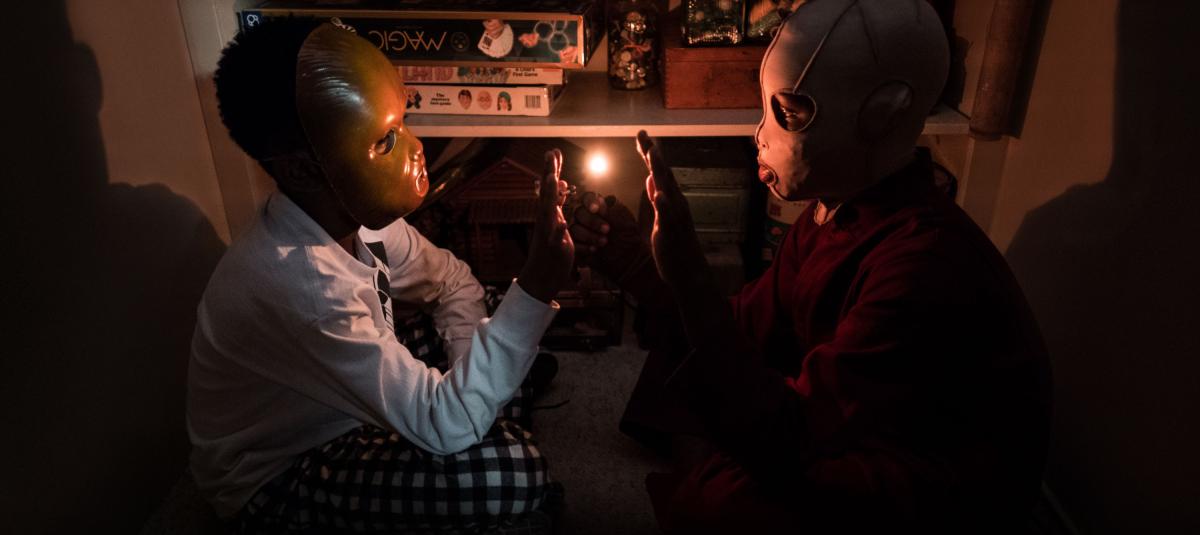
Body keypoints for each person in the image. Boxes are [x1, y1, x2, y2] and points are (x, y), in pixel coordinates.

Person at [570, 1, 1052, 533]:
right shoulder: (836, 210)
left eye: (789, 114)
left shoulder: (922, 265)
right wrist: (631, 259)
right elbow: (747, 324)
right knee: (690, 351)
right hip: (844, 404)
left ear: (884, 112)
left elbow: (794, 435)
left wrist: (690, 278)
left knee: (728, 501)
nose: (760, 135)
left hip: (934, 473)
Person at [187, 19, 575, 533]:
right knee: (515, 469)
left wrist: (470, 381)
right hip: (282, 472)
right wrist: (537, 287)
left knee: (494, 309)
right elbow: (446, 425)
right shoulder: (305, 288)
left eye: (404, 121)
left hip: (343, 397)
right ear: (302, 170)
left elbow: (452, 282)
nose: (416, 148)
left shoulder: (356, 216)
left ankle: (489, 398)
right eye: (386, 141)